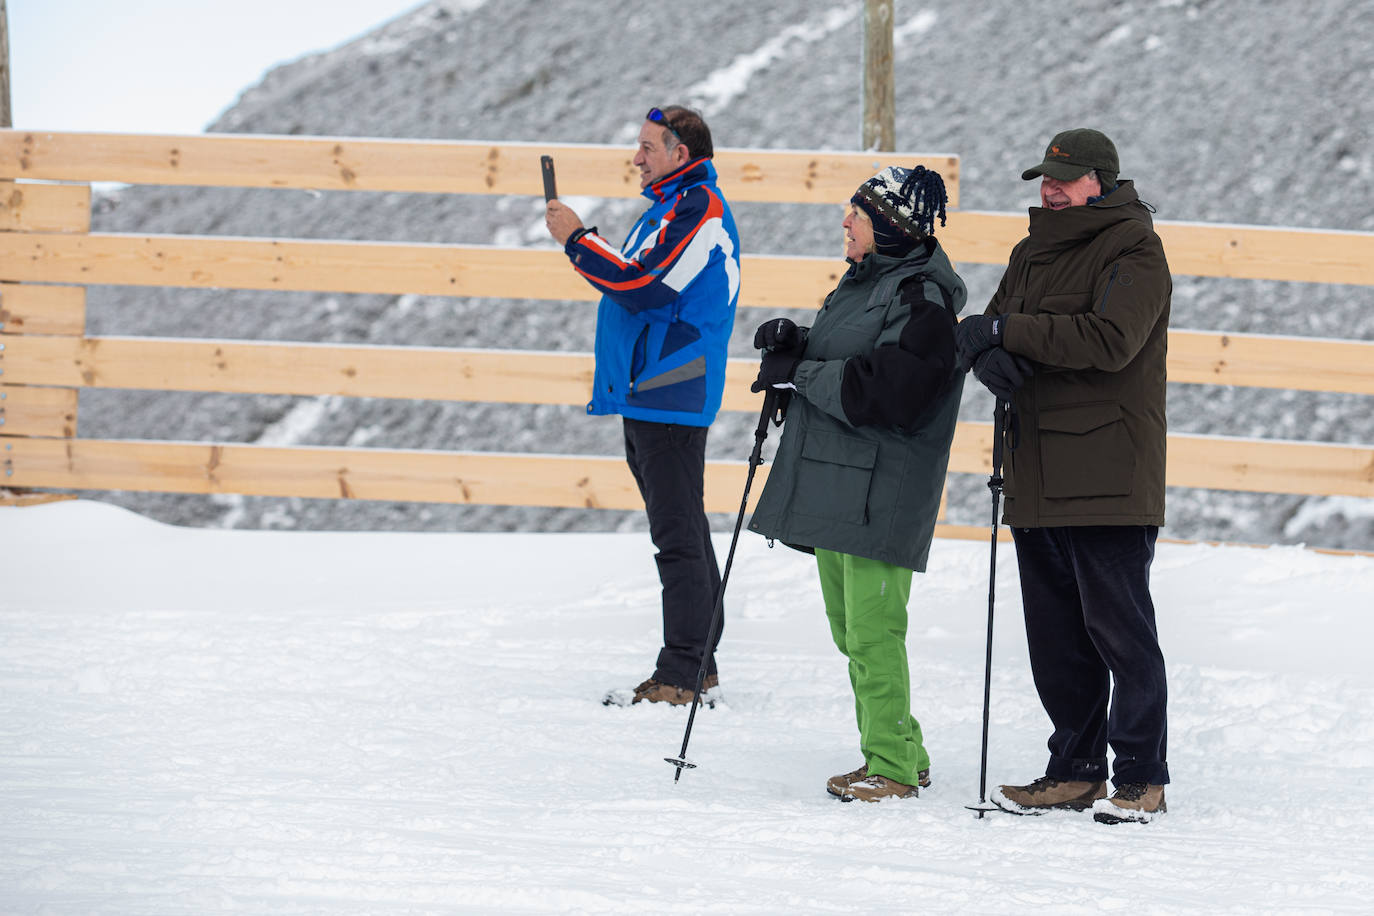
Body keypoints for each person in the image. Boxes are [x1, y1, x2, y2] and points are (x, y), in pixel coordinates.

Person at [955, 128, 1172, 824]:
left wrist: (1002, 336)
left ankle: (1140, 778)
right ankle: (1074, 771)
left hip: (1107, 472)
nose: (1049, 188)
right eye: (1044, 178)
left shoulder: (1134, 247)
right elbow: (988, 326)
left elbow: (1111, 342)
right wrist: (984, 351)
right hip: (1035, 465)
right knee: (1056, 637)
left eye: (1063, 178)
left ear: (1100, 183)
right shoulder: (1030, 251)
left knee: (1121, 634)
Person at [746, 165, 965, 802]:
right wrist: (799, 340)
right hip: (843, 483)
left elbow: (891, 390)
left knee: (872, 634)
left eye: (858, 215)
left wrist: (800, 375)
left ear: (891, 229)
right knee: (850, 632)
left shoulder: (923, 299)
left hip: (879, 490)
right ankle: (905, 752)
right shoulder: (871, 282)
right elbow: (852, 348)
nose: (845, 223)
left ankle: (892, 767)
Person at [545, 106, 741, 707]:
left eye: (648, 147)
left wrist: (578, 240)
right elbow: (638, 276)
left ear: (680, 154)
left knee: (676, 532)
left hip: (670, 387)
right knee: (682, 525)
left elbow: (643, 285)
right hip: (655, 387)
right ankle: (697, 658)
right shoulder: (672, 206)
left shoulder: (697, 208)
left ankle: (681, 671)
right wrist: (587, 243)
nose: (637, 157)